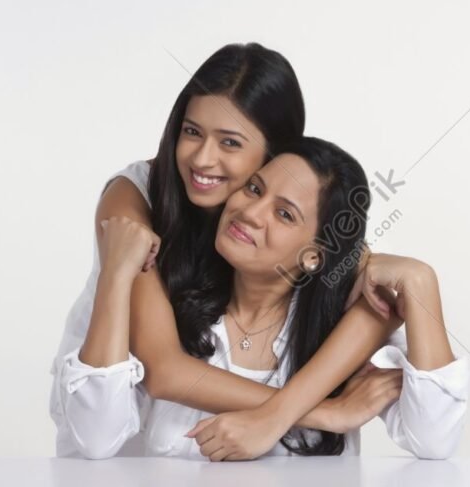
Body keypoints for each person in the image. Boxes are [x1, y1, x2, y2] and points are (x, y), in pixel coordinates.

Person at [50, 43, 401, 459]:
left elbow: (373, 300)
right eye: (192, 131)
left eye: (230, 143)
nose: (202, 158)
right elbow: (164, 370)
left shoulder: (279, 224)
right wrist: (328, 412)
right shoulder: (135, 197)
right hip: (107, 444)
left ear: (276, 154)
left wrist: (280, 415)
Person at [61, 137, 470, 460]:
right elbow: (95, 438)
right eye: (254, 188)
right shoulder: (167, 300)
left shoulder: (348, 325)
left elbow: (434, 442)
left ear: (313, 256)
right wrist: (319, 413)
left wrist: (421, 281)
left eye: (285, 213)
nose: (251, 212)